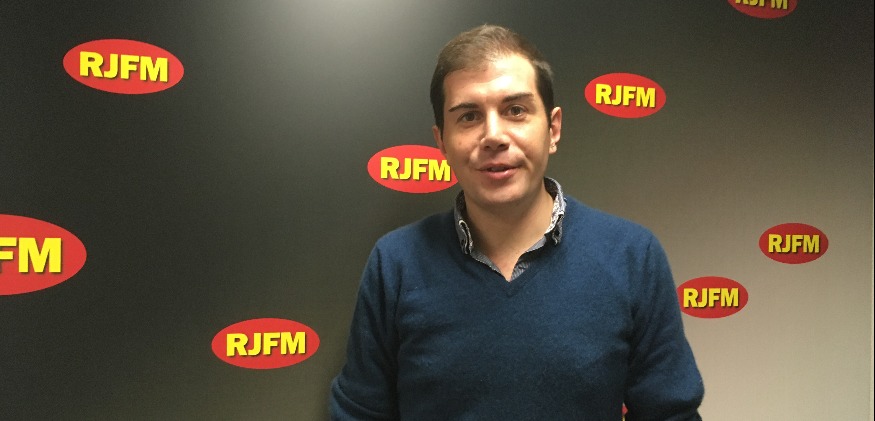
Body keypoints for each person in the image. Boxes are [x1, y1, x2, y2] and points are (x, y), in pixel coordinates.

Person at [329, 24, 704, 420]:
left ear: (553, 129)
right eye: (469, 116)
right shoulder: (396, 263)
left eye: (515, 111)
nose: (494, 136)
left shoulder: (632, 257)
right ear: (441, 143)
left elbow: (670, 415)